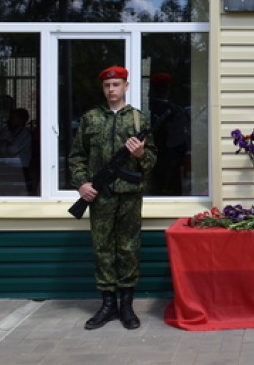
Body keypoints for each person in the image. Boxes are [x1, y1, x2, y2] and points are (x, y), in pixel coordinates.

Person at [69, 66, 157, 330]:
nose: (111, 90)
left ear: (126, 87)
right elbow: (76, 157)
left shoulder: (139, 121)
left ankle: (127, 306)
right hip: (100, 197)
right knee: (103, 249)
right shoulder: (91, 119)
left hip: (129, 196)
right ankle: (108, 305)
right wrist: (82, 184)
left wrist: (141, 154)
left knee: (129, 248)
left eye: (116, 85)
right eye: (107, 85)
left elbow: (152, 161)